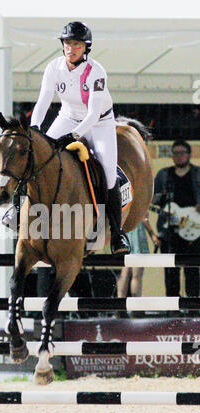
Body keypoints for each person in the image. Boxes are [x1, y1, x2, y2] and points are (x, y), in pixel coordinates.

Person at [30, 21, 130, 255]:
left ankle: (118, 234)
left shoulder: (96, 71)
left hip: (100, 123)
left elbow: (94, 113)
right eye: (67, 43)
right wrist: (35, 127)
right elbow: (43, 100)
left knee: (107, 174)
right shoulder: (53, 67)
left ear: (86, 47)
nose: (70, 48)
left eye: (76, 44)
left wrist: (74, 136)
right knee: (37, 157)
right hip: (67, 117)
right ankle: (17, 210)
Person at [153, 140, 200, 303]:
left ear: (189, 154)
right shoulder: (163, 175)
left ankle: (193, 304)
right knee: (170, 269)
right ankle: (172, 305)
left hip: (194, 228)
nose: (178, 156)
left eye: (182, 153)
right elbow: (153, 199)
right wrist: (161, 197)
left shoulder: (198, 173)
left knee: (192, 269)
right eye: (175, 153)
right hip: (169, 229)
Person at [117, 212, 159, 318]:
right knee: (136, 274)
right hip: (137, 234)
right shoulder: (141, 198)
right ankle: (136, 308)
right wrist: (152, 235)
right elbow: (145, 218)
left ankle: (119, 307)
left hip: (125, 233)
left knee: (125, 272)